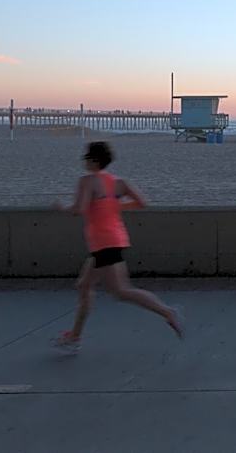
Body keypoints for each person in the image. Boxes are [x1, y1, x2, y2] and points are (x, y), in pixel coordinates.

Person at [53, 141, 183, 353]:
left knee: (121, 291)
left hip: (103, 242)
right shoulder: (118, 182)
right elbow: (142, 202)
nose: (84, 161)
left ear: (93, 160)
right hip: (114, 239)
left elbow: (79, 209)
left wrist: (61, 207)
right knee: (84, 285)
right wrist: (114, 205)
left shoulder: (87, 181)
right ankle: (74, 336)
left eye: (86, 158)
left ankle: (167, 312)